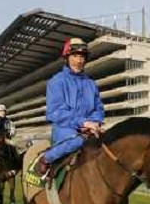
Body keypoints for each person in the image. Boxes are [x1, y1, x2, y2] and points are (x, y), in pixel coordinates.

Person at [36, 37, 104, 177]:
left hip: (89, 129)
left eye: (82, 57)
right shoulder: (56, 82)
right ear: (66, 58)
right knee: (77, 141)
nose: (79, 61)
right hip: (65, 129)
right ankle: (46, 158)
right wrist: (83, 123)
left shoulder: (91, 84)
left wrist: (94, 123)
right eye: (75, 56)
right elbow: (55, 112)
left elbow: (98, 108)